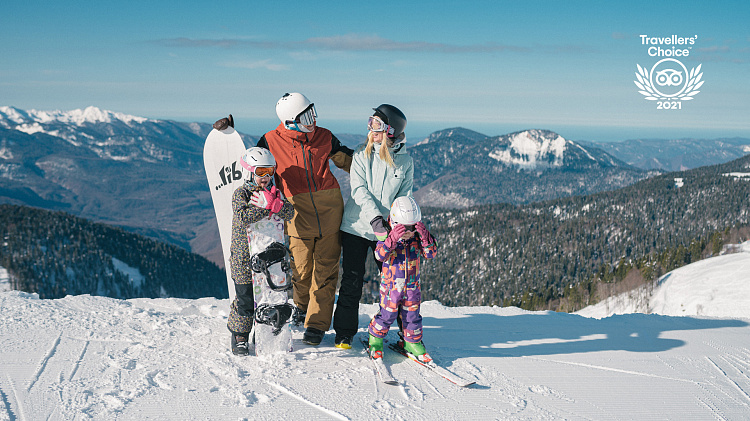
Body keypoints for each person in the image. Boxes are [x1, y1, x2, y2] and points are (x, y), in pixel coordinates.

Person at [232, 93, 353, 346]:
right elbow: (254, 168)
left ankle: (316, 325)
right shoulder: (270, 140)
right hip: (297, 216)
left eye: (313, 112)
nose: (313, 120)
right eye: (306, 116)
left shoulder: (324, 136)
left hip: (330, 213)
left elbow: (352, 162)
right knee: (300, 272)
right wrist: (226, 135)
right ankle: (300, 307)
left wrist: (382, 150)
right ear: (289, 122)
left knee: (326, 273)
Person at [332, 104, 413, 349]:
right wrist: (375, 219)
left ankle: (405, 335)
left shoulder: (405, 162)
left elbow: (404, 196)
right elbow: (358, 190)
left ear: (390, 130)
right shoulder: (361, 154)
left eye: (376, 124)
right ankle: (344, 333)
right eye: (370, 122)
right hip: (357, 228)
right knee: (352, 281)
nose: (371, 129)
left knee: (395, 284)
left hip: (387, 233)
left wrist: (403, 225)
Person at [226, 147, 295, 356]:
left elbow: (289, 212)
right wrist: (266, 207)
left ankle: (263, 330)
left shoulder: (275, 193)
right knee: (245, 297)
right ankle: (240, 334)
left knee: (268, 295)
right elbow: (242, 216)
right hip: (243, 256)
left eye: (270, 171)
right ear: (249, 172)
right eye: (261, 172)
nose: (266, 177)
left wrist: (274, 203)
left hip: (268, 258)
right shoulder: (241, 193)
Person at [367, 196, 437, 362]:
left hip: (412, 287)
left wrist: (424, 236)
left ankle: (412, 341)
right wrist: (391, 240)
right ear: (396, 224)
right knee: (387, 314)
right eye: (405, 228)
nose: (409, 232)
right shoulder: (387, 238)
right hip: (391, 288)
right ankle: (375, 339)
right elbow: (379, 255)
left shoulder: (416, 239)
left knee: (412, 316)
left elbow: (430, 254)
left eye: (412, 227)